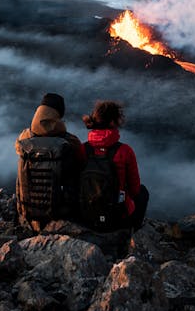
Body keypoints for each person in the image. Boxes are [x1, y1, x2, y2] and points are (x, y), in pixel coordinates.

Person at [14, 93, 84, 230]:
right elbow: (82, 160)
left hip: (28, 210)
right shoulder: (70, 141)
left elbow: (16, 147)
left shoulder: (23, 138)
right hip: (60, 212)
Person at [81, 100, 149, 230]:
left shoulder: (83, 149)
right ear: (113, 122)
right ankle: (132, 232)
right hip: (117, 220)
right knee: (142, 192)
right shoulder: (125, 151)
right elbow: (135, 190)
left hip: (87, 217)